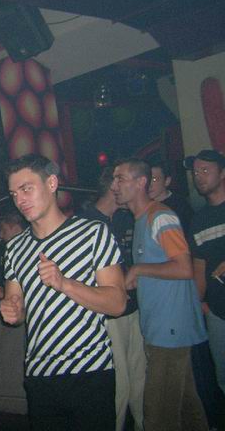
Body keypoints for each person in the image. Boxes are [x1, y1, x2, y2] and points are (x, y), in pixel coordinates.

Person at [0, 154, 126, 431]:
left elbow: (118, 303)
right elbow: (17, 308)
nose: (20, 199)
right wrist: (13, 311)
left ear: (52, 183)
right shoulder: (14, 248)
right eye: (14, 194)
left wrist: (65, 283)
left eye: (26, 189)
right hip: (39, 376)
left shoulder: (93, 233)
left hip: (90, 371)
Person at [112, 157, 208, 431]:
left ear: (141, 182)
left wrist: (139, 269)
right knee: (186, 405)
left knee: (158, 415)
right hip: (160, 327)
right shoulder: (142, 220)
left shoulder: (161, 216)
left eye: (120, 179)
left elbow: (184, 268)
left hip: (171, 328)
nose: (114, 185)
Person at [79, 167, 144, 431]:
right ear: (112, 187)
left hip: (134, 308)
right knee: (120, 382)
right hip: (108, 316)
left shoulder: (126, 218)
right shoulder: (85, 224)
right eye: (122, 182)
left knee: (139, 377)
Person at [185, 149, 225, 396]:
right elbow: (198, 270)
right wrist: (200, 304)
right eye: (196, 172)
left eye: (205, 170)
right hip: (218, 313)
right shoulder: (198, 221)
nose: (198, 176)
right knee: (223, 379)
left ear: (222, 173)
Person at [148, 160, 194, 234]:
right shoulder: (144, 205)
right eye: (147, 180)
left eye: (154, 179)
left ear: (167, 181)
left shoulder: (180, 206)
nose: (149, 185)